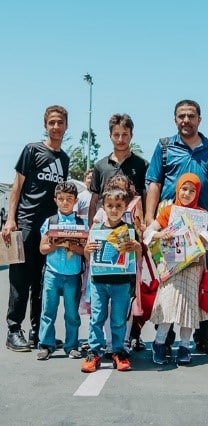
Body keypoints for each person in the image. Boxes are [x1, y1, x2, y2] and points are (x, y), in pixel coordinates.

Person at [145, 99, 208, 356]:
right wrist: (151, 219)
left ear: (199, 119)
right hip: (170, 228)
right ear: (175, 120)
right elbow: (154, 183)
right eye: (181, 116)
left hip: (201, 230)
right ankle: (167, 337)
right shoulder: (164, 147)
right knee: (170, 283)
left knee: (201, 283)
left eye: (191, 116)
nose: (186, 120)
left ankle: (202, 336)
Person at [2, 105, 70, 352]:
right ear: (45, 125)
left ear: (66, 126)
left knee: (43, 282)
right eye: (51, 122)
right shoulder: (32, 150)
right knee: (20, 279)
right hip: (25, 224)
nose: (55, 126)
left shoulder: (64, 158)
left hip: (50, 228)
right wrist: (10, 220)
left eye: (59, 122)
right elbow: (16, 187)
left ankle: (38, 331)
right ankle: (13, 330)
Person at [144, 173, 208, 365]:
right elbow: (149, 231)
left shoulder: (202, 214)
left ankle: (185, 346)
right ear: (178, 189)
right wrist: (160, 235)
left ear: (197, 193)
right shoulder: (168, 211)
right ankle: (159, 343)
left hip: (193, 268)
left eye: (192, 190)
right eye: (184, 189)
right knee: (168, 307)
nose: (187, 194)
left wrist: (203, 237)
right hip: (171, 268)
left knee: (188, 309)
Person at [81, 187, 142, 373]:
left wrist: (137, 246)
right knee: (97, 318)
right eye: (110, 205)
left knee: (118, 319)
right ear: (103, 207)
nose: (114, 209)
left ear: (125, 207)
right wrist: (87, 249)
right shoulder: (96, 228)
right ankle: (94, 352)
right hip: (99, 281)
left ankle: (118, 351)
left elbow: (138, 256)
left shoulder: (129, 229)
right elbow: (87, 256)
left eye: (118, 206)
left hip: (122, 281)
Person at [37, 182, 85, 360]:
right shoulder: (50, 222)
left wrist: (74, 245)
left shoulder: (81, 223)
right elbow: (42, 249)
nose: (65, 202)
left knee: (72, 313)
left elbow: (86, 252)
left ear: (75, 201)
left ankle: (71, 345)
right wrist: (54, 245)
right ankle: (45, 345)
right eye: (61, 199)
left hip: (72, 275)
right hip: (52, 273)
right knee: (48, 311)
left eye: (69, 199)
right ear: (55, 200)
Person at [88, 113, 147, 226]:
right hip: (104, 230)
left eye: (125, 134)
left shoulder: (142, 165)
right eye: (116, 134)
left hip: (132, 231)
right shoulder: (100, 166)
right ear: (110, 135)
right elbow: (94, 201)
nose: (120, 139)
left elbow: (145, 198)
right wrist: (91, 229)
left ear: (131, 135)